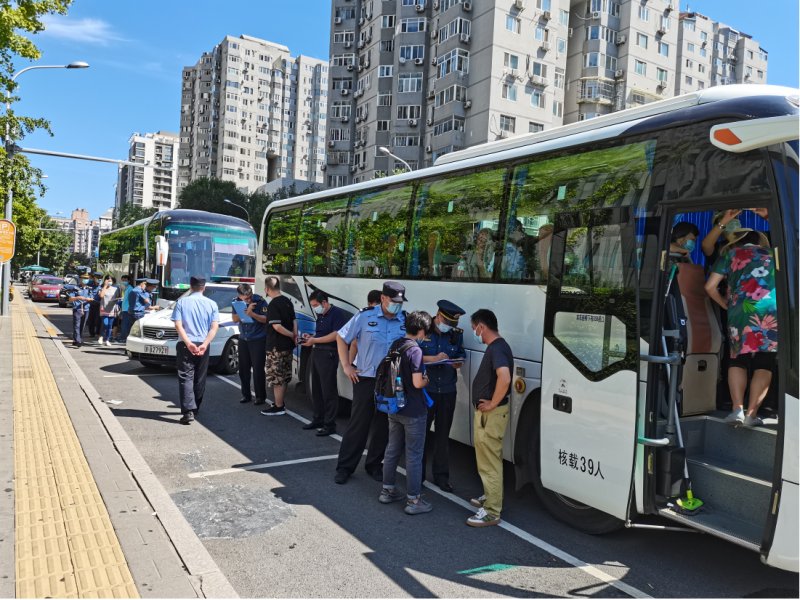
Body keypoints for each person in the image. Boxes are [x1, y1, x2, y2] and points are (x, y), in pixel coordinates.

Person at [334, 281, 408, 485]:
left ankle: (374, 464)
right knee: (358, 425)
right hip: (366, 378)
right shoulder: (364, 316)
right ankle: (345, 468)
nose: (397, 305)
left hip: (392, 380)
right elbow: (342, 338)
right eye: (394, 301)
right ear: (383, 298)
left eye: (400, 302)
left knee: (384, 425)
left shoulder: (405, 318)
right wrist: (347, 365)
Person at [705, 228, 776, 428]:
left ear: (737, 242)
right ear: (759, 242)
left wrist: (726, 305)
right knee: (765, 362)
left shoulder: (730, 254)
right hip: (770, 312)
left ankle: (737, 410)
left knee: (738, 360)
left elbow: (710, 287)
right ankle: (751, 415)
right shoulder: (773, 254)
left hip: (740, 312)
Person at [380, 310, 434, 515]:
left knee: (392, 449)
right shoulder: (416, 351)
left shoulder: (397, 344)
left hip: (394, 407)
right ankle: (414, 500)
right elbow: (418, 382)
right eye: (425, 331)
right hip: (414, 411)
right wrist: (427, 380)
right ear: (420, 330)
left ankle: (387, 490)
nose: (425, 335)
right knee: (413, 455)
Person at [466, 309, 513, 528]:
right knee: (488, 459)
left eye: (474, 328)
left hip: (491, 415)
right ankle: (490, 495)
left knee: (489, 462)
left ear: (482, 327)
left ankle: (492, 512)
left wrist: (492, 403)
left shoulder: (497, 349)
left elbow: (504, 377)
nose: (474, 332)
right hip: (491, 414)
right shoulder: (498, 347)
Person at [419, 300, 466, 493]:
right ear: (438, 317)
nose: (449, 327)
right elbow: (412, 354)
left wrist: (458, 362)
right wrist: (434, 358)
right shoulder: (423, 330)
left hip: (447, 391)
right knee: (420, 435)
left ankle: (441, 477)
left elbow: (461, 354)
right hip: (426, 391)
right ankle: (417, 475)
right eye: (446, 322)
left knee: (442, 436)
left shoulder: (455, 335)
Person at [302, 290, 351, 436]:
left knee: (328, 390)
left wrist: (314, 340)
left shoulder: (337, 314)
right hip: (317, 352)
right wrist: (310, 337)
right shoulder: (321, 314)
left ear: (324, 302)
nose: (314, 308)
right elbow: (322, 334)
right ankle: (318, 418)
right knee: (316, 388)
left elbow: (336, 335)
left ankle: (330, 425)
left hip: (328, 354)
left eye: (316, 305)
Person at [172, 276, 220, 425]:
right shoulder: (212, 304)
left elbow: (178, 325)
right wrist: (205, 344)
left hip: (186, 343)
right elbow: (214, 327)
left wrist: (188, 342)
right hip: (203, 344)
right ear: (204, 288)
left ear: (190, 287)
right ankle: (196, 407)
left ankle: (188, 411)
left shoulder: (181, 302)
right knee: (200, 377)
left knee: (186, 377)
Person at [260, 276, 297, 416]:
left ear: (267, 289)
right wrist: (294, 335)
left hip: (276, 346)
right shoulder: (287, 301)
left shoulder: (274, 304)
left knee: (277, 378)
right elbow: (294, 320)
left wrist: (291, 335)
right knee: (285, 376)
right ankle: (279, 403)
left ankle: (279, 406)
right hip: (287, 346)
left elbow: (277, 326)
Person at [231, 282, 269, 406]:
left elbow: (266, 319)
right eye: (245, 298)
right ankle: (246, 395)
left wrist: (252, 314)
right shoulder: (236, 302)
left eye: (249, 296)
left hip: (258, 339)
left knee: (258, 369)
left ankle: (260, 397)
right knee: (243, 369)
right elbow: (235, 319)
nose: (248, 299)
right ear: (239, 296)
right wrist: (243, 311)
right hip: (244, 338)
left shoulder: (260, 301)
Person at [68, 275, 94, 348]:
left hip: (86, 308)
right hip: (77, 308)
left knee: (82, 326)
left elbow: (92, 298)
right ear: (80, 279)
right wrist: (77, 297)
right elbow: (70, 299)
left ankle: (75, 339)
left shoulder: (89, 289)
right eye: (84, 278)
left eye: (87, 279)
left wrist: (88, 299)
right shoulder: (75, 288)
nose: (86, 280)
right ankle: (78, 340)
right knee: (76, 325)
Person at [96, 275, 121, 347]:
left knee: (110, 326)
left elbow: (118, 297)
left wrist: (117, 299)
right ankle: (101, 336)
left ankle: (107, 339)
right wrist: (105, 286)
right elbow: (101, 296)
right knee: (105, 324)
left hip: (112, 309)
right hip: (104, 308)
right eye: (108, 280)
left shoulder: (115, 288)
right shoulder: (102, 288)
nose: (109, 282)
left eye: (111, 280)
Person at [85, 271, 103, 342]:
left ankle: (98, 332)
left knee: (98, 320)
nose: (97, 279)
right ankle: (91, 333)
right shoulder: (90, 284)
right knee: (91, 319)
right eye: (96, 277)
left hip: (99, 304)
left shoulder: (102, 285)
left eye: (99, 278)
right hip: (90, 304)